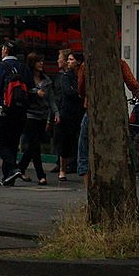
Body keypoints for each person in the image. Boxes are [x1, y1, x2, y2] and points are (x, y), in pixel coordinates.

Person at [76, 55, 139, 179]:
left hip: (93, 111)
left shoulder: (86, 65)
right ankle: (131, 171)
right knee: (124, 146)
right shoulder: (120, 63)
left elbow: (81, 89)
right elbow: (134, 86)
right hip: (115, 112)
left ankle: (89, 190)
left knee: (84, 151)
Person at [0, 40, 32, 186]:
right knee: (13, 142)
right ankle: (8, 177)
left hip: (2, 110)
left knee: (0, 142)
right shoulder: (24, 68)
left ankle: (13, 168)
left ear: (5, 50)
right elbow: (31, 90)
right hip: (20, 111)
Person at [14, 52, 57, 185]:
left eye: (42, 62)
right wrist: (35, 92)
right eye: (38, 61)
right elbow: (22, 93)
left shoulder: (47, 81)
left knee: (34, 144)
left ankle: (20, 168)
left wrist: (55, 113)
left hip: (42, 114)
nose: (41, 64)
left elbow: (51, 99)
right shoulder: (27, 79)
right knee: (35, 143)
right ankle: (41, 175)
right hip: (30, 114)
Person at [52, 49, 82, 181]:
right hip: (67, 112)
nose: (69, 62)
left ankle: (77, 165)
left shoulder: (82, 75)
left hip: (80, 112)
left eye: (71, 60)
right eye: (68, 59)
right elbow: (69, 93)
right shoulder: (65, 77)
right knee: (64, 141)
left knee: (79, 140)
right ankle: (62, 169)